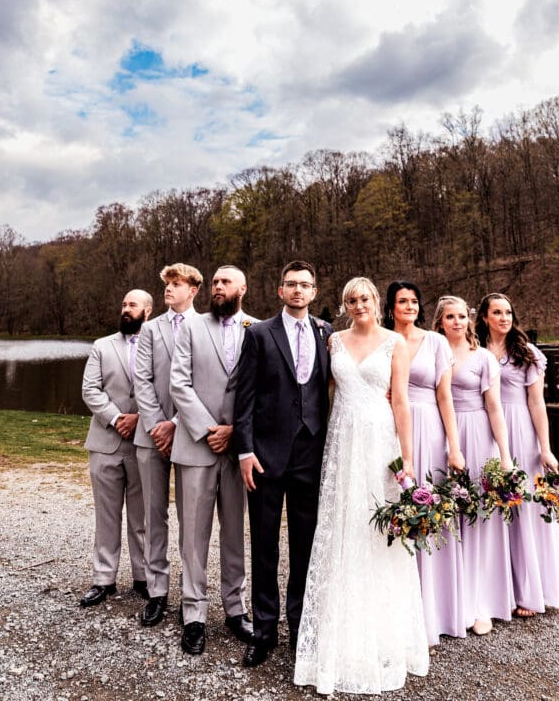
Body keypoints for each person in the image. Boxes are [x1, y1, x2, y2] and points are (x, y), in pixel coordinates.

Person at [294, 277, 429, 695]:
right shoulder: (333, 341)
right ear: (344, 304)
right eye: (351, 299)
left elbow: (401, 401)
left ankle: (383, 638)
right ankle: (338, 636)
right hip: (341, 442)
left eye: (365, 298)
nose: (359, 304)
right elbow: (324, 393)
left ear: (376, 302)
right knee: (342, 528)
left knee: (377, 532)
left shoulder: (394, 343)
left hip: (379, 441)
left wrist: (407, 459)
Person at [233, 261, 332, 668]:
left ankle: (299, 628)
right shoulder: (259, 334)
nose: (298, 290)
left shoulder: (326, 333)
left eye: (305, 285)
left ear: (314, 292)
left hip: (311, 453)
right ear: (280, 290)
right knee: (265, 545)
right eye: (291, 284)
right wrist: (244, 450)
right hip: (265, 456)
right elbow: (244, 397)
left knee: (305, 546)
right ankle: (264, 631)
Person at [170, 266, 258, 656]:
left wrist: (235, 432)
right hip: (197, 446)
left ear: (242, 288)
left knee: (235, 533)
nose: (218, 287)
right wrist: (210, 430)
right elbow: (178, 383)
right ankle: (194, 614)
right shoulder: (191, 327)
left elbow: (261, 391)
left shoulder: (258, 329)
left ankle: (236, 610)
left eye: (226, 282)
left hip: (238, 450)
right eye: (215, 282)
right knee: (193, 534)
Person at [475, 292, 559, 618]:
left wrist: (545, 447)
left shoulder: (527, 353)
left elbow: (536, 403)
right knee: (491, 509)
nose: (504, 318)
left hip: (520, 430)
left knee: (525, 508)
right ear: (484, 317)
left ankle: (530, 591)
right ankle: (494, 591)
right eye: (497, 312)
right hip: (484, 430)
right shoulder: (476, 349)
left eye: (508, 312)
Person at [384, 279, 466, 647]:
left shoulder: (435, 342)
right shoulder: (383, 340)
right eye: (403, 301)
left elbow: (445, 396)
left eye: (415, 301)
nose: (410, 307)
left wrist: (454, 446)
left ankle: (436, 611)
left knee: (431, 512)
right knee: (395, 510)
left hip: (429, 429)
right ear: (390, 307)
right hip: (389, 429)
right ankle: (396, 611)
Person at [433, 295, 515, 637]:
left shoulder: (482, 357)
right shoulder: (433, 351)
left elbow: (494, 407)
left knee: (479, 516)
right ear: (440, 322)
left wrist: (505, 455)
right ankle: (448, 601)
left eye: (461, 317)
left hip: (478, 434)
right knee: (445, 514)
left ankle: (480, 601)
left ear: (469, 320)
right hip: (440, 434)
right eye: (450, 317)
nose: (457, 322)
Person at [134, 262, 203, 627]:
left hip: (190, 433)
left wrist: (177, 424)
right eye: (167, 283)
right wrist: (157, 425)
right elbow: (141, 379)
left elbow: (204, 383)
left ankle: (191, 594)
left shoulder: (206, 326)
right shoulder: (150, 329)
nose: (169, 289)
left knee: (191, 518)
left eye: (176, 284)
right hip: (152, 435)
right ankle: (157, 591)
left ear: (193, 290)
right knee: (153, 513)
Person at [80, 289, 153, 607]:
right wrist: (116, 418)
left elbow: (167, 390)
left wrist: (140, 419)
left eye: (132, 305)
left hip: (143, 444)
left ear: (147, 311)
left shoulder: (159, 346)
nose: (126, 309)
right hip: (105, 443)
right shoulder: (102, 346)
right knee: (106, 515)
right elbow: (90, 389)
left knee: (142, 517)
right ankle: (103, 580)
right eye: (123, 304)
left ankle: (143, 578)